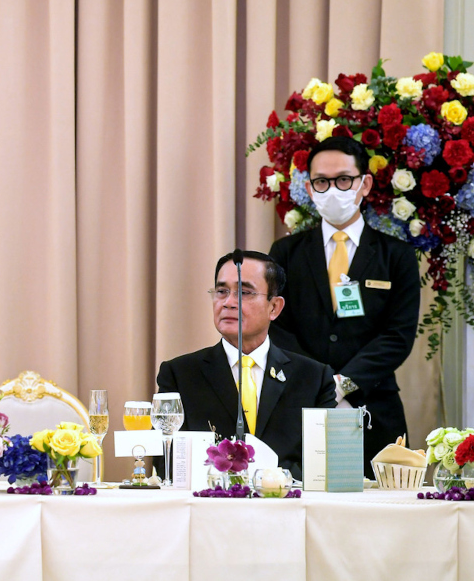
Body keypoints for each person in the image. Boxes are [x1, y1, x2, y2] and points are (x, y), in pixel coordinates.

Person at [269, 136, 420, 477]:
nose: (332, 189)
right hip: (300, 404)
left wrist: (345, 383)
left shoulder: (396, 256)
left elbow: (398, 335)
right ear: (309, 188)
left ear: (364, 183)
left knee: (382, 516)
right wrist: (318, 382)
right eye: (322, 181)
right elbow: (276, 327)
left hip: (375, 408)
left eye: (343, 180)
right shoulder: (286, 253)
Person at [156, 251, 336, 480]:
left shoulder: (313, 377)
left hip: (287, 507)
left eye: (244, 293)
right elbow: (167, 463)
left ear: (274, 308)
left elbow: (322, 468)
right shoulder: (180, 374)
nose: (228, 302)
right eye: (221, 291)